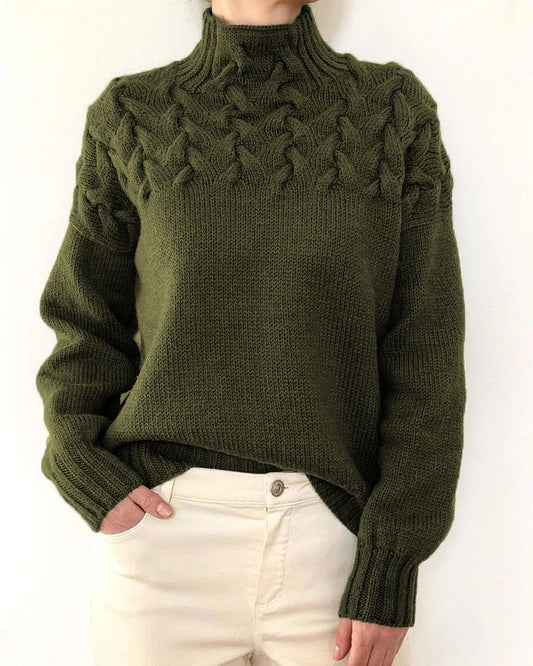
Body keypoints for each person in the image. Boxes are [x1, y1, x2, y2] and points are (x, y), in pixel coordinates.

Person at [35, 1, 466, 664]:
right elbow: (84, 321)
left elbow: (425, 350)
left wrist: (391, 561)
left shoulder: (391, 112)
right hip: (161, 541)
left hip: (332, 540)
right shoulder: (131, 115)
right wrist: (81, 467)